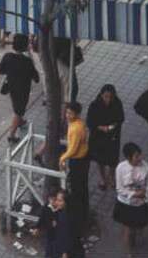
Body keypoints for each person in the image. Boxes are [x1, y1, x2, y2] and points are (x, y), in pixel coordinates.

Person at [114, 142, 148, 257]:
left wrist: (146, 191)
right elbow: (119, 188)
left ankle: (134, 237)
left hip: (140, 203)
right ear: (128, 157)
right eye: (136, 156)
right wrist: (134, 194)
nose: (140, 158)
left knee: (138, 227)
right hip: (126, 203)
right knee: (128, 229)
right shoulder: (121, 168)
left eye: (140, 155)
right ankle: (129, 253)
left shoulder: (145, 167)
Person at [0, 34, 39, 141]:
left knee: (16, 106)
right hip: (23, 90)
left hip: (11, 86)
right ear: (25, 46)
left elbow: (0, 70)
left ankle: (19, 121)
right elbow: (36, 78)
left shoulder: (8, 56)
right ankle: (11, 135)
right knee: (19, 111)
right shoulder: (27, 61)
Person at [59, 101, 89, 241]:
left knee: (77, 189)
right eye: (67, 112)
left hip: (79, 161)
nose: (67, 115)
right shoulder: (78, 123)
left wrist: (62, 158)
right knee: (81, 188)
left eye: (70, 113)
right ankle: (83, 214)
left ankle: (79, 217)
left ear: (76, 114)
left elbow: (73, 149)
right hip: (82, 159)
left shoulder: (76, 128)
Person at [87, 84, 125, 191]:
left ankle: (112, 177)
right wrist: (100, 127)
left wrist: (111, 127)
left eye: (110, 97)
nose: (108, 99)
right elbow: (89, 121)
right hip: (98, 136)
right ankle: (103, 178)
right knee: (100, 159)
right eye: (105, 96)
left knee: (113, 159)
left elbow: (120, 119)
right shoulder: (94, 105)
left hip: (112, 136)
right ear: (101, 95)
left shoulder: (117, 104)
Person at [34, 189, 75, 258]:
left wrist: (64, 251)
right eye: (55, 200)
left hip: (59, 244)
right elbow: (43, 217)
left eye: (59, 200)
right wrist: (37, 227)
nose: (55, 203)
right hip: (51, 239)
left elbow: (66, 234)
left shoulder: (65, 216)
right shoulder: (52, 208)